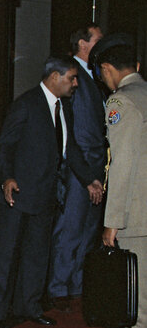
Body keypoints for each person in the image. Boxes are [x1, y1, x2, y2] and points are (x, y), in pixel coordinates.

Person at [0, 55, 102, 328]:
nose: (75, 83)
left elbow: (70, 148)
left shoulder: (65, 107)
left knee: (38, 254)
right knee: (7, 254)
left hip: (46, 194)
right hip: (18, 193)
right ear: (54, 77)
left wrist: (89, 180)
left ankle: (30, 307)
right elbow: (4, 146)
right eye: (71, 78)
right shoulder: (26, 105)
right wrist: (7, 177)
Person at [83, 35, 147, 328]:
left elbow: (120, 167)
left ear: (107, 69)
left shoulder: (121, 101)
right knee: (132, 289)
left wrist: (112, 221)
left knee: (139, 299)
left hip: (136, 215)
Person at [48, 24, 106, 311]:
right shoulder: (73, 75)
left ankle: (76, 285)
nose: (102, 46)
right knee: (70, 228)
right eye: (98, 40)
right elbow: (75, 131)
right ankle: (59, 287)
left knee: (88, 229)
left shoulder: (93, 76)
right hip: (79, 166)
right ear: (83, 44)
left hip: (95, 164)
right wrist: (84, 171)